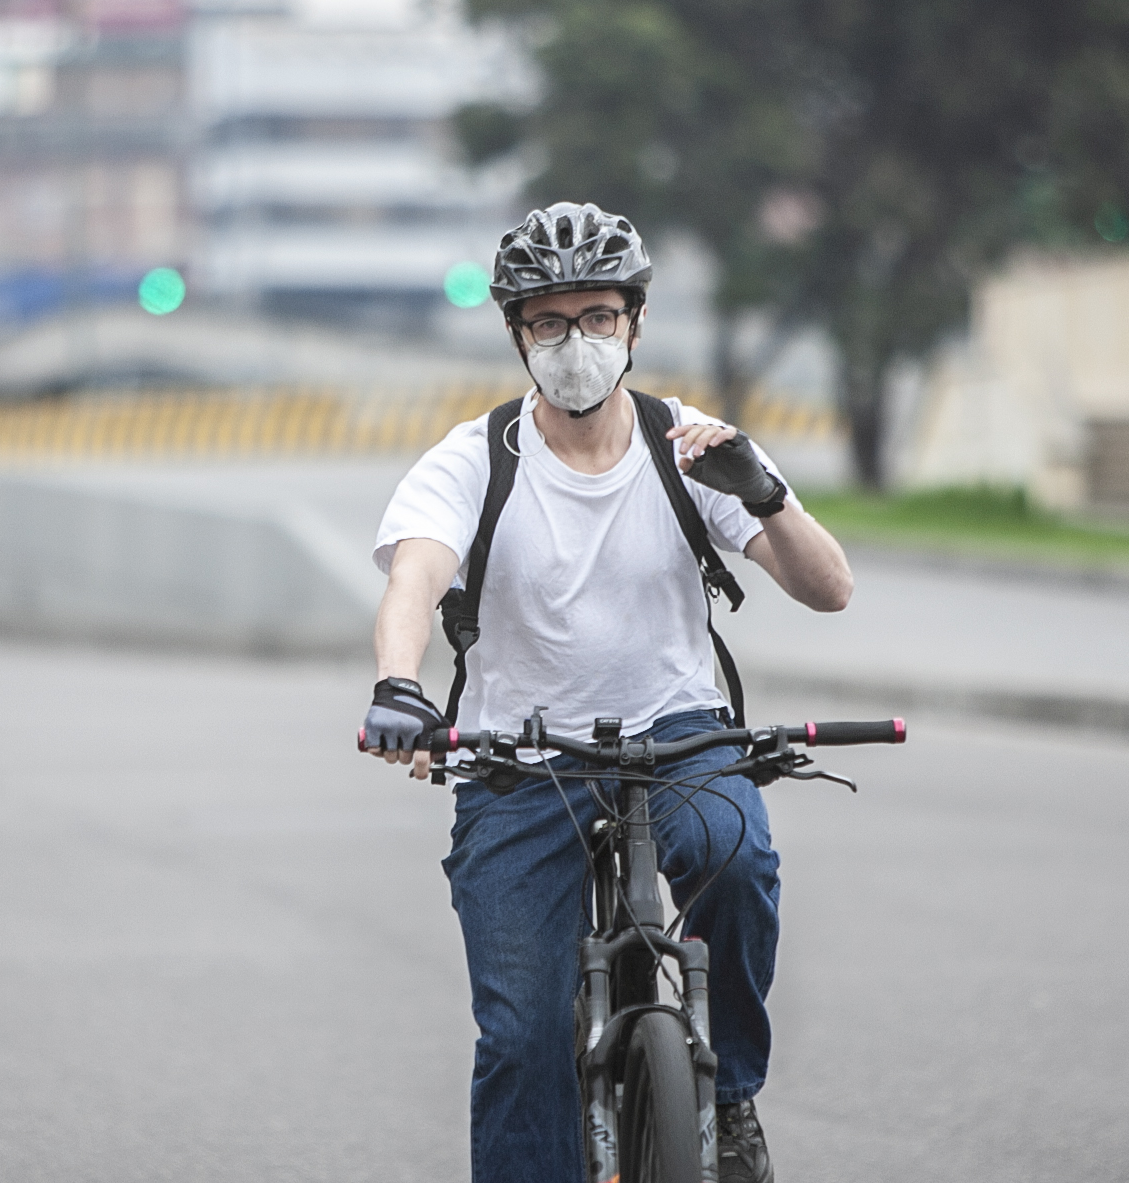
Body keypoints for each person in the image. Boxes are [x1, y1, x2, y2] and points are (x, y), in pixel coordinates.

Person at [360, 202, 853, 1183]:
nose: (574, 341)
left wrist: (759, 491)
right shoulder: (473, 460)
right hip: (517, 754)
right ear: (517, 336)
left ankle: (728, 1101)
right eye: (548, 321)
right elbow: (414, 577)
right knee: (522, 1039)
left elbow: (828, 587)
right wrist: (399, 686)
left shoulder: (692, 448)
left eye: (596, 315)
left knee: (736, 861)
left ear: (633, 324)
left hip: (676, 732)